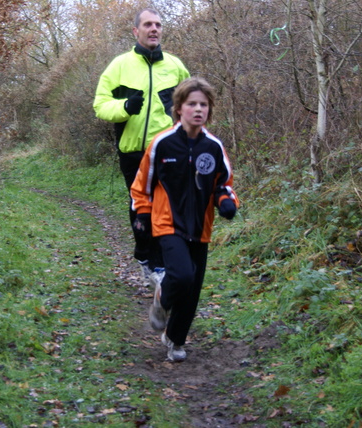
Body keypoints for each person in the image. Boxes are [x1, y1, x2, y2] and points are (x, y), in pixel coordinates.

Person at [130, 77, 239, 362]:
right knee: (182, 275)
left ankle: (174, 340)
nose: (198, 109)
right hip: (167, 223)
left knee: (191, 291)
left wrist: (226, 201)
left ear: (209, 110)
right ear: (179, 108)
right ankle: (161, 300)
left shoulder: (214, 147)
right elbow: (142, 184)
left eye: (203, 104)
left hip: (200, 228)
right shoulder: (162, 143)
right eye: (192, 104)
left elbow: (223, 184)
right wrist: (142, 213)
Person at [93, 8, 190, 284]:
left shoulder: (175, 66)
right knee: (141, 206)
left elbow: (192, 105)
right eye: (148, 25)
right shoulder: (119, 66)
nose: (154, 29)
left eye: (158, 25)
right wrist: (124, 106)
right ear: (136, 31)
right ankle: (146, 255)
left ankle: (162, 263)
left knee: (167, 204)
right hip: (133, 151)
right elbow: (100, 105)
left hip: (168, 150)